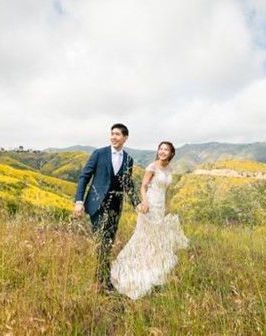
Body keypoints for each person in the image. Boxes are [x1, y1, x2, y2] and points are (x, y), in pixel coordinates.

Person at [110, 141, 189, 300]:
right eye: (161, 149)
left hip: (160, 208)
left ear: (171, 153)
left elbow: (166, 190)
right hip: (150, 205)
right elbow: (143, 187)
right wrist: (144, 203)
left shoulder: (170, 169)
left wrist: (168, 207)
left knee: (156, 239)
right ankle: (133, 269)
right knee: (143, 237)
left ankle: (152, 266)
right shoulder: (152, 167)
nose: (162, 151)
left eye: (166, 149)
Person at [73, 123, 140, 294]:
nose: (114, 137)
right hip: (97, 205)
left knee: (108, 243)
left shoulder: (128, 159)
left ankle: (102, 278)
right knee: (102, 241)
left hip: (115, 206)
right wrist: (79, 201)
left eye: (117, 134)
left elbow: (128, 184)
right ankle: (102, 280)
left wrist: (137, 203)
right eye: (112, 134)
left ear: (125, 138)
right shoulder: (98, 154)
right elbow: (84, 177)